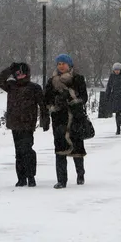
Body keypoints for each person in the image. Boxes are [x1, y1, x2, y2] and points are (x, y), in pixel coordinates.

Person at [0, 62, 49, 188]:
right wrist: (9, 69)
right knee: (19, 152)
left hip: (28, 124)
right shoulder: (11, 86)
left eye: (22, 74)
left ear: (27, 74)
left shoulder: (34, 88)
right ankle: (21, 178)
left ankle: (31, 177)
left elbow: (43, 105)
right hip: (15, 124)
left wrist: (45, 120)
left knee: (27, 150)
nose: (20, 76)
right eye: (17, 74)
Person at [44, 54, 88, 189]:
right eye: (59, 64)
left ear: (69, 65)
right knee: (60, 148)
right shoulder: (51, 81)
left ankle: (80, 174)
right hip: (59, 119)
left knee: (77, 148)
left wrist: (71, 99)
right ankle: (61, 180)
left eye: (63, 63)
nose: (61, 66)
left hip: (75, 117)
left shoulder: (77, 79)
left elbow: (84, 97)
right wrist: (54, 104)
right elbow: (46, 99)